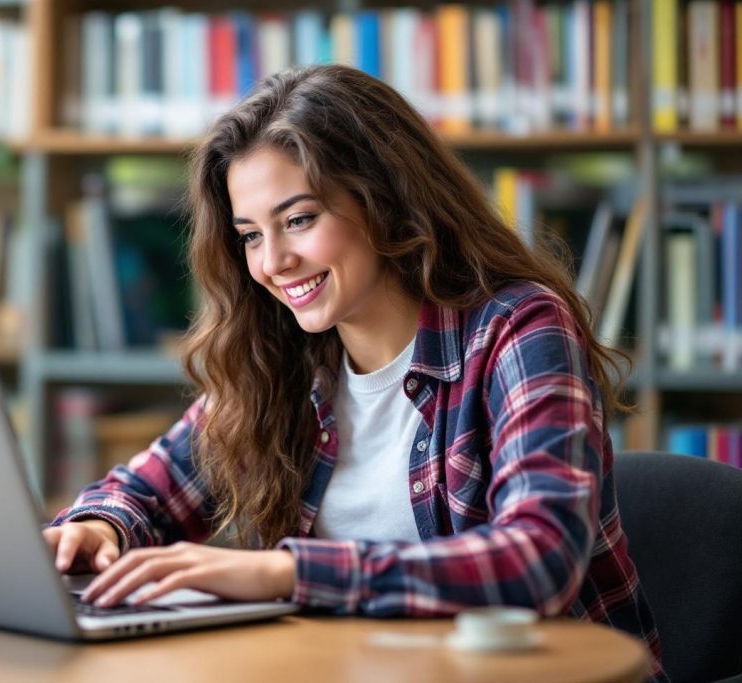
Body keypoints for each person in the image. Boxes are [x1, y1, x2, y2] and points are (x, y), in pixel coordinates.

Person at [43, 65, 665, 680]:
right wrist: (96, 528)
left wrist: (289, 574)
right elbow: (145, 491)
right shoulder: (282, 361)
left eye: (299, 220)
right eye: (250, 236)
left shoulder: (517, 328)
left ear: (384, 200)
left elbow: (539, 559)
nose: (274, 263)